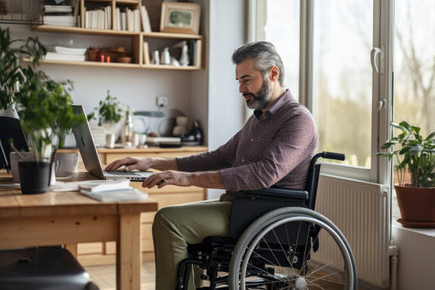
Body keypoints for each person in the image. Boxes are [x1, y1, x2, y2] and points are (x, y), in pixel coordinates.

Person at [105, 41, 318, 290]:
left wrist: (188, 178)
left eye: (246, 80)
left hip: (263, 215)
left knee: (169, 221)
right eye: (238, 81)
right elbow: (220, 156)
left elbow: (263, 175)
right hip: (240, 206)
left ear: (273, 73)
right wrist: (152, 162)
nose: (241, 88)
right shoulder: (259, 118)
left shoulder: (297, 120)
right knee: (172, 218)